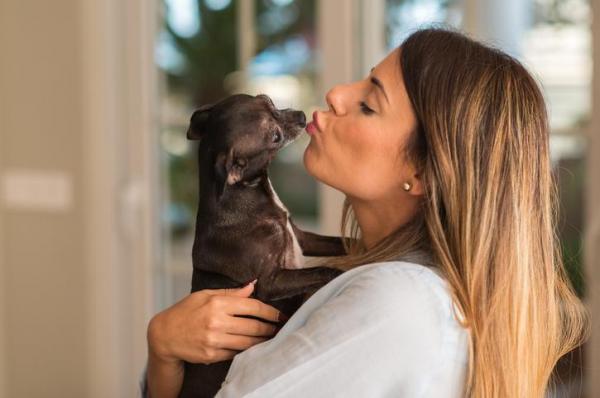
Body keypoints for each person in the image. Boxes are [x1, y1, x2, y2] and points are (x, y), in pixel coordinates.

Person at [142, 27, 590, 397]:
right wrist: (165, 349)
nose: (336, 93)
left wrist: (162, 358)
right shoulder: (396, 286)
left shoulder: (393, 302)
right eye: (362, 81)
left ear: (424, 171)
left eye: (368, 104)